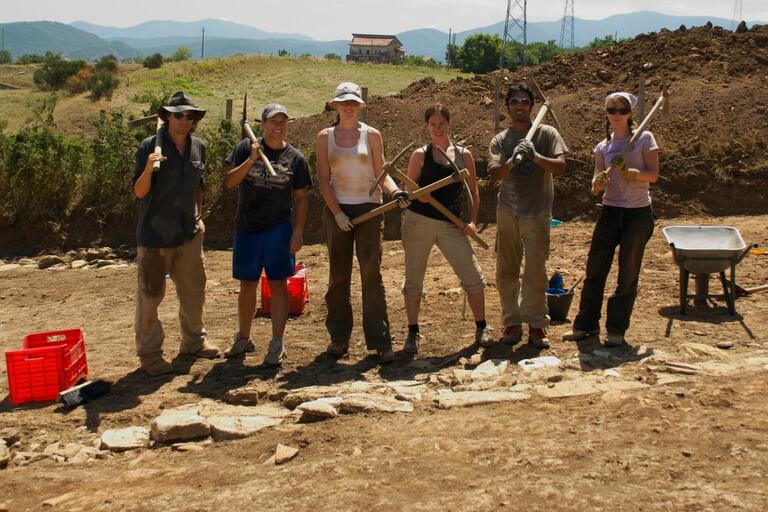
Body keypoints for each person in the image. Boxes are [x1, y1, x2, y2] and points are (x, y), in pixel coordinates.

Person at [316, 82, 410, 363]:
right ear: (336, 105)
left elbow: (381, 172)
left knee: (371, 275)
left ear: (359, 106)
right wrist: (337, 213)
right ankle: (338, 338)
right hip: (338, 212)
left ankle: (380, 342)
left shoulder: (372, 135)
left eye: (353, 102)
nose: (348, 106)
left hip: (370, 210)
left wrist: (395, 192)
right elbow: (323, 179)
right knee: (338, 276)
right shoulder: (325, 136)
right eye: (343, 102)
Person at [132, 91, 221, 376]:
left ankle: (194, 342)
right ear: (167, 117)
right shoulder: (150, 146)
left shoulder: (199, 148)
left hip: (189, 234)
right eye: (178, 115)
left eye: (189, 116)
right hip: (155, 236)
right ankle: (150, 355)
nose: (184, 121)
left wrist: (199, 213)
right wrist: (148, 167)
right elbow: (139, 191)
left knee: (194, 293)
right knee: (150, 296)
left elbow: (199, 183)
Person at [564, 92, 658, 347]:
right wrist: (597, 182)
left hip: (637, 214)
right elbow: (595, 184)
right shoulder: (602, 147)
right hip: (609, 211)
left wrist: (632, 173)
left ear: (629, 114)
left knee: (627, 274)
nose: (616, 114)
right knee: (595, 270)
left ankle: (616, 330)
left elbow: (653, 175)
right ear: (606, 114)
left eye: (621, 110)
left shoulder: (644, 140)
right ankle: (586, 326)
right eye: (612, 110)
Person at [222, 104, 310, 365]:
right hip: (247, 227)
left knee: (278, 284)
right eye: (273, 121)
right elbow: (229, 182)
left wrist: (298, 232)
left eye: (283, 121)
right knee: (247, 284)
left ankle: (277, 343)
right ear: (263, 124)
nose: (278, 126)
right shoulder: (245, 147)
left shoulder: (296, 158)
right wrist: (251, 159)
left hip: (279, 229)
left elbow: (302, 198)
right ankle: (244, 338)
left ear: (287, 125)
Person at [400, 104, 491, 354]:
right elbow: (408, 191)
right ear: (427, 126)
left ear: (449, 124)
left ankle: (482, 327)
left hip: (452, 223)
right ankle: (412, 333)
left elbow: (473, 190)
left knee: (472, 273)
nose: (438, 128)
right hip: (418, 221)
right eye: (433, 124)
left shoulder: (464, 155)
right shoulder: (420, 154)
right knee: (414, 277)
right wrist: (420, 195)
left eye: (442, 123)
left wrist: (472, 221)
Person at [488, 83, 567, 349]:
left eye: (524, 101)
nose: (519, 106)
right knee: (506, 269)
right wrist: (513, 160)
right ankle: (512, 321)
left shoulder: (547, 134)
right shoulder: (501, 140)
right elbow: (495, 173)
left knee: (536, 270)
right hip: (508, 210)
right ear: (508, 108)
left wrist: (536, 156)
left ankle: (536, 325)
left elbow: (561, 167)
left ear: (531, 106)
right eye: (514, 102)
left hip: (537, 212)